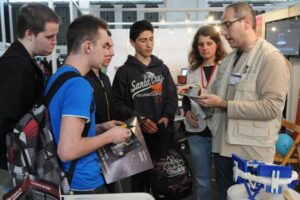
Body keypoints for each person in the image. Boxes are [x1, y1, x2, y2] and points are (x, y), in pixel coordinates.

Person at [194, 2, 291, 200]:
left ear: (247, 22)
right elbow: (218, 94)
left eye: (227, 24)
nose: (223, 31)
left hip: (251, 156)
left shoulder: (271, 59)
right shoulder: (230, 59)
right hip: (223, 149)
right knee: (224, 196)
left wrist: (223, 104)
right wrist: (201, 97)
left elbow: (272, 108)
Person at [45, 15, 130, 194]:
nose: (112, 52)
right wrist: (110, 136)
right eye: (105, 46)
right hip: (83, 182)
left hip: (66, 177)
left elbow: (65, 129)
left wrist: (99, 128)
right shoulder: (79, 85)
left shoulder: (58, 77)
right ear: (88, 47)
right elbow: (67, 150)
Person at [112, 19, 178, 192]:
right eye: (143, 40)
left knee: (164, 180)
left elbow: (172, 97)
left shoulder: (162, 69)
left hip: (161, 134)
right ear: (132, 42)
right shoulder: (124, 72)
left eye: (151, 39)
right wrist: (139, 119)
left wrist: (166, 117)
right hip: (136, 138)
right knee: (138, 185)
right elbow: (116, 103)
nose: (149, 44)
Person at [0, 3, 59, 170]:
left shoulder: (23, 62)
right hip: (11, 164)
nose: (54, 42)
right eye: (49, 37)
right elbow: (6, 120)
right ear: (30, 34)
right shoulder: (17, 66)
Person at [181, 25, 226, 200]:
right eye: (201, 44)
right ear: (196, 47)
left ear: (217, 45)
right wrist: (186, 113)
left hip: (220, 129)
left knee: (224, 178)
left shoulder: (225, 67)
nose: (205, 48)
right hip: (196, 129)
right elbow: (186, 94)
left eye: (209, 43)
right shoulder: (192, 69)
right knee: (202, 179)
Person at [85, 30, 116, 193]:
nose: (111, 53)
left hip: (108, 148)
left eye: (111, 47)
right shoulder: (82, 81)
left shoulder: (105, 78)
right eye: (105, 46)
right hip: (90, 152)